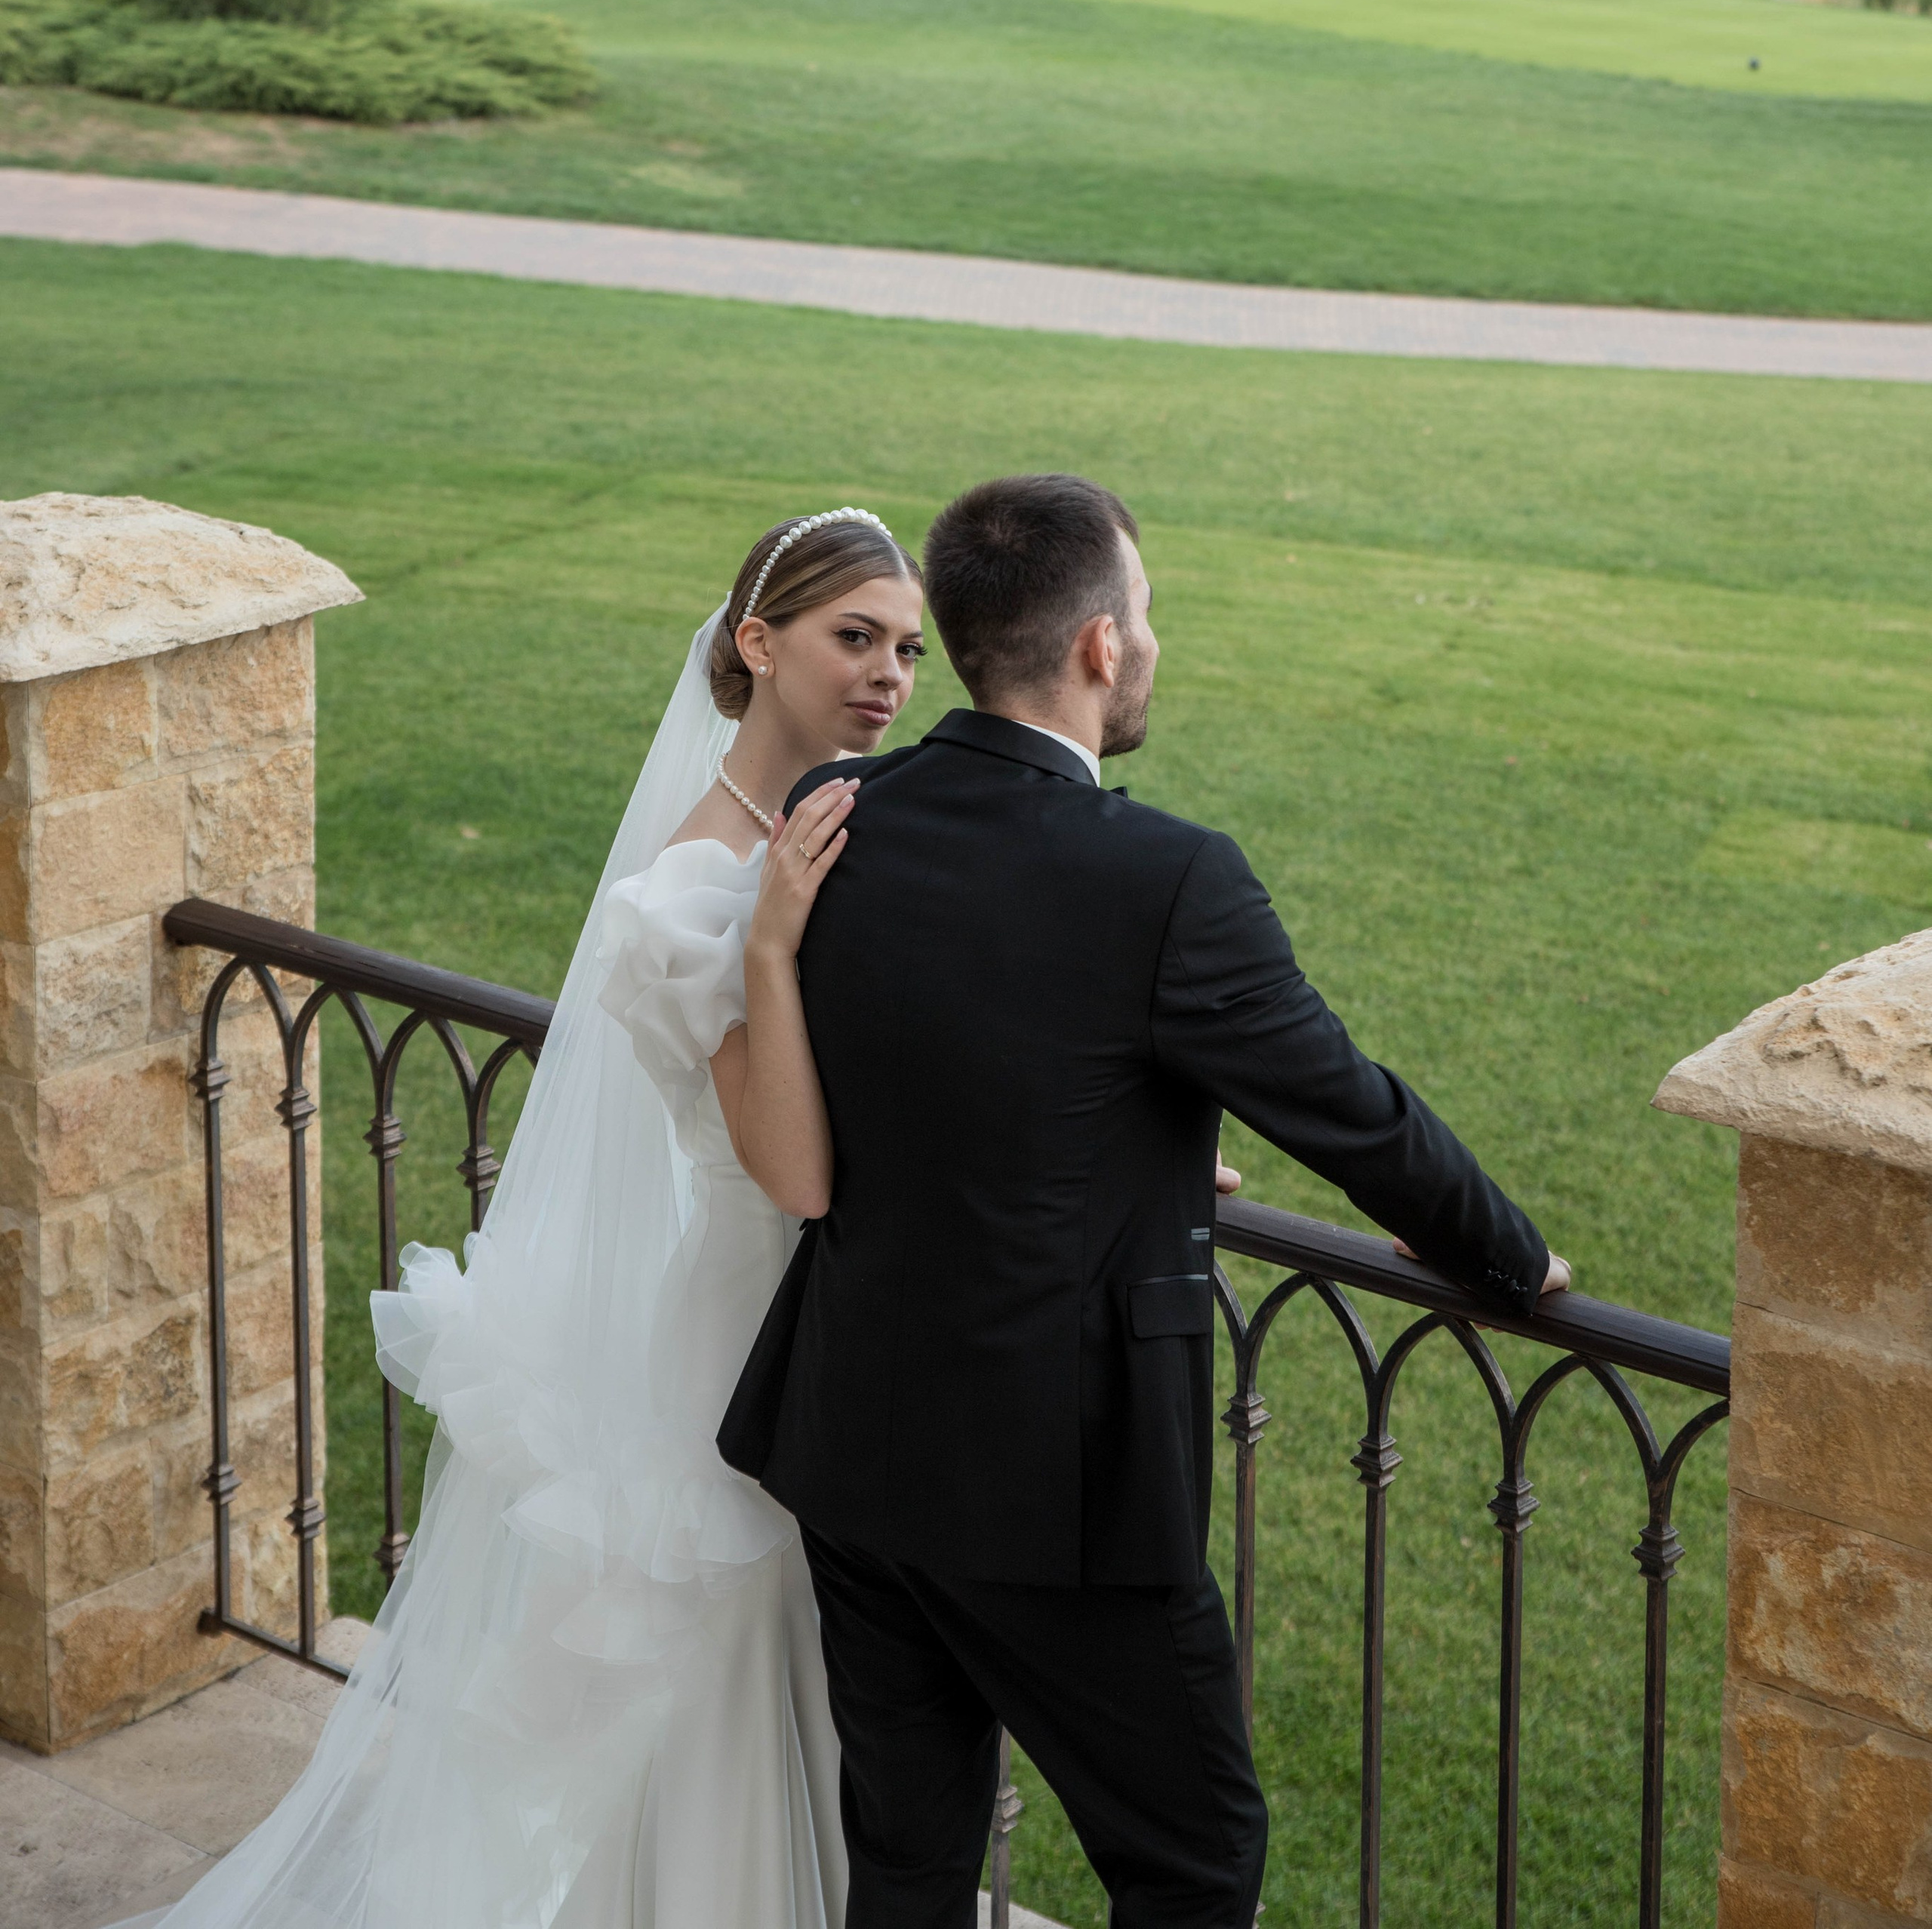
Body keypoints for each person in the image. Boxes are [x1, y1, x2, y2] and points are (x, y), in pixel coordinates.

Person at [722, 472, 1569, 1929]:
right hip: (1057, 1486)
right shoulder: (1168, 878)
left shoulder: (841, 810)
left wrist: (1144, 1149)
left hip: (854, 1438)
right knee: (1192, 1855)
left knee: (909, 1861)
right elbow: (1349, 1111)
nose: (1154, 645)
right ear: (1101, 647)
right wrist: (1508, 1254)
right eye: (1149, 615)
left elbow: (967, 1067)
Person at [118, 507, 923, 1929]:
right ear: (757, 642)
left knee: (827, 1689)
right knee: (726, 1674)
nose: (890, 676)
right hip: (741, 1326)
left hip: (838, 1323)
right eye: (854, 638)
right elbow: (781, 1160)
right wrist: (775, 936)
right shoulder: (692, 887)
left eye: (909, 649)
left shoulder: (851, 827)